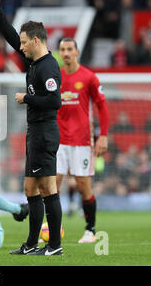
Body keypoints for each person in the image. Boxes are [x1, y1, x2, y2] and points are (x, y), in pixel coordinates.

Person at [0, 0, 63, 256]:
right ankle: (31, 244)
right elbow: (9, 36)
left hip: (45, 132)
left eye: (24, 42)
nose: (20, 46)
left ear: (37, 41)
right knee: (30, 188)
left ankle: (54, 246)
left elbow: (55, 101)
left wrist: (27, 98)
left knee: (47, 187)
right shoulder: (32, 62)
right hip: (35, 131)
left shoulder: (49, 67)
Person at [57, 38, 109, 243]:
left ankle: (90, 230)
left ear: (77, 52)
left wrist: (102, 135)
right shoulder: (56, 78)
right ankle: (53, 227)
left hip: (82, 141)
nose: (66, 53)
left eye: (70, 49)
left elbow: (102, 107)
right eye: (62, 50)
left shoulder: (89, 77)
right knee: (52, 184)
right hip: (59, 140)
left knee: (82, 185)